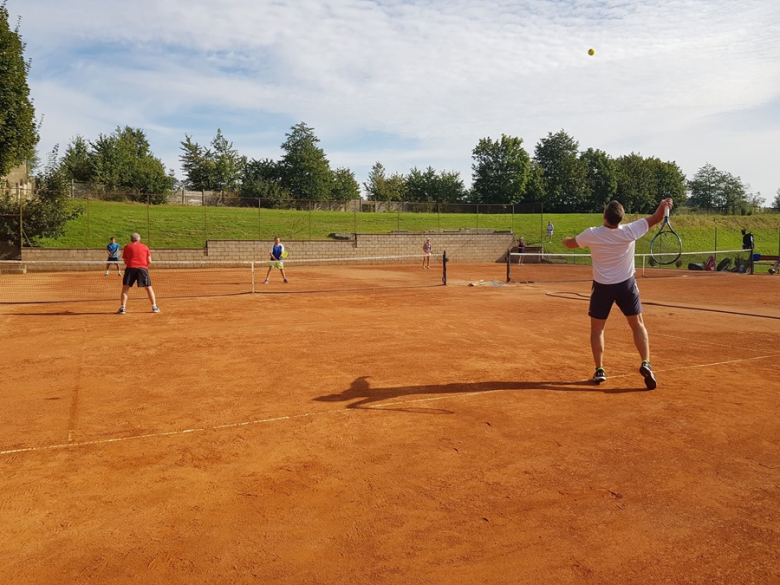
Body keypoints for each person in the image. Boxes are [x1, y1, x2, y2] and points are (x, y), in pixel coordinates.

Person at [562, 198, 674, 389]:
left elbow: (570, 244)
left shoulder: (592, 233)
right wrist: (664, 205)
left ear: (605, 216)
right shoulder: (631, 230)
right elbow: (656, 218)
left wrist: (565, 239)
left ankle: (600, 370)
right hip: (626, 286)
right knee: (637, 324)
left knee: (597, 330)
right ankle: (646, 362)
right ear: (621, 218)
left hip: (602, 287)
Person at [117, 233, 160, 314]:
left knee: (125, 288)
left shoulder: (127, 247)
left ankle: (123, 308)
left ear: (131, 240)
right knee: (148, 288)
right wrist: (143, 266)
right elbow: (149, 261)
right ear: (139, 239)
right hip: (142, 269)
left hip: (130, 269)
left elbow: (125, 261)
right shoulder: (145, 247)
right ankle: (154, 307)